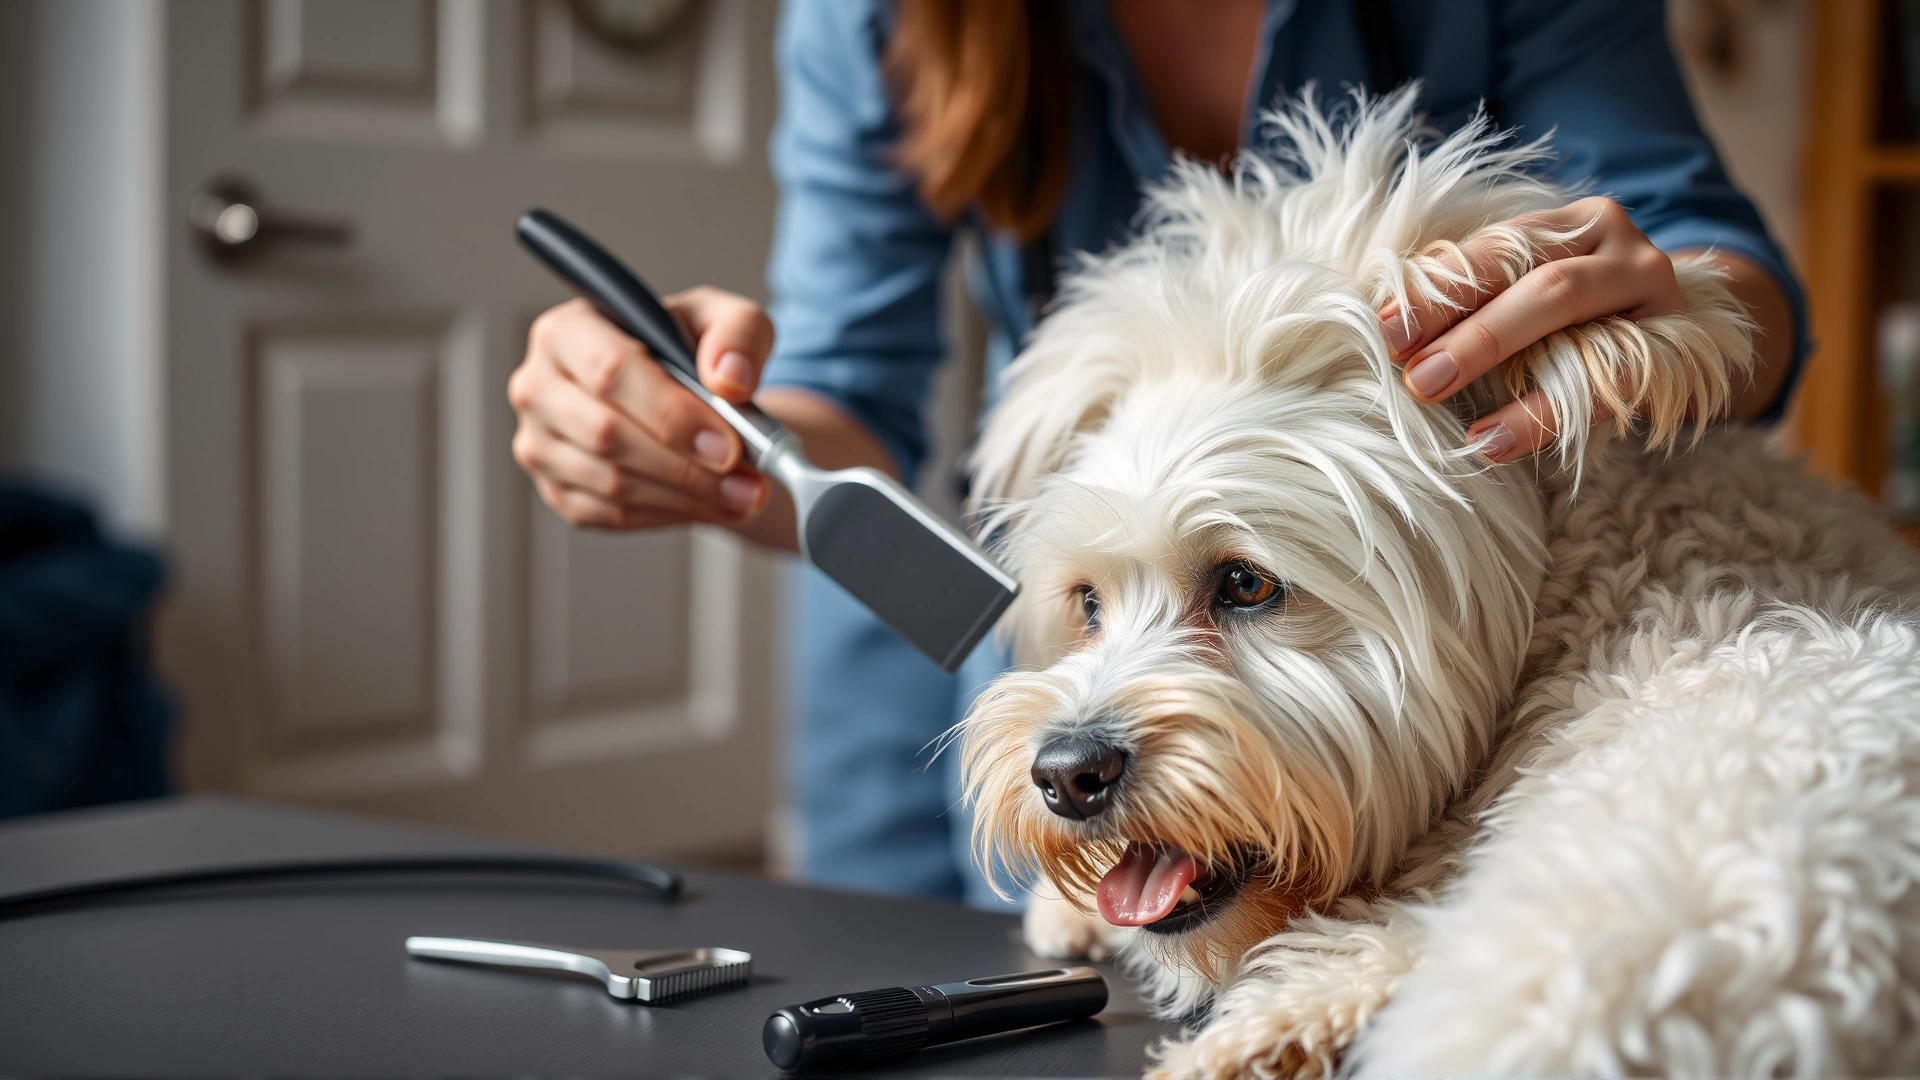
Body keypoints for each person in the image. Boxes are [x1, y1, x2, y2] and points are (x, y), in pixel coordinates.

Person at [506, 0, 1806, 907]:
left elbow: (1716, 267)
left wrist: (1669, 306)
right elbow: (842, 401)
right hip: (1022, 594)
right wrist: (697, 433)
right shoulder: (878, 14)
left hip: (1389, 635)